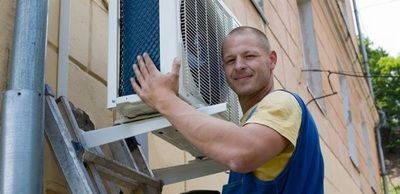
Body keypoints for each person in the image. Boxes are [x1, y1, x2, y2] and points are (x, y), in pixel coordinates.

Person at [130, 26, 324, 194]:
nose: (239, 66)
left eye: (249, 56)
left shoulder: (282, 101)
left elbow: (242, 152)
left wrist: (165, 100)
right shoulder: (250, 123)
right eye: (230, 60)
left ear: (271, 60)